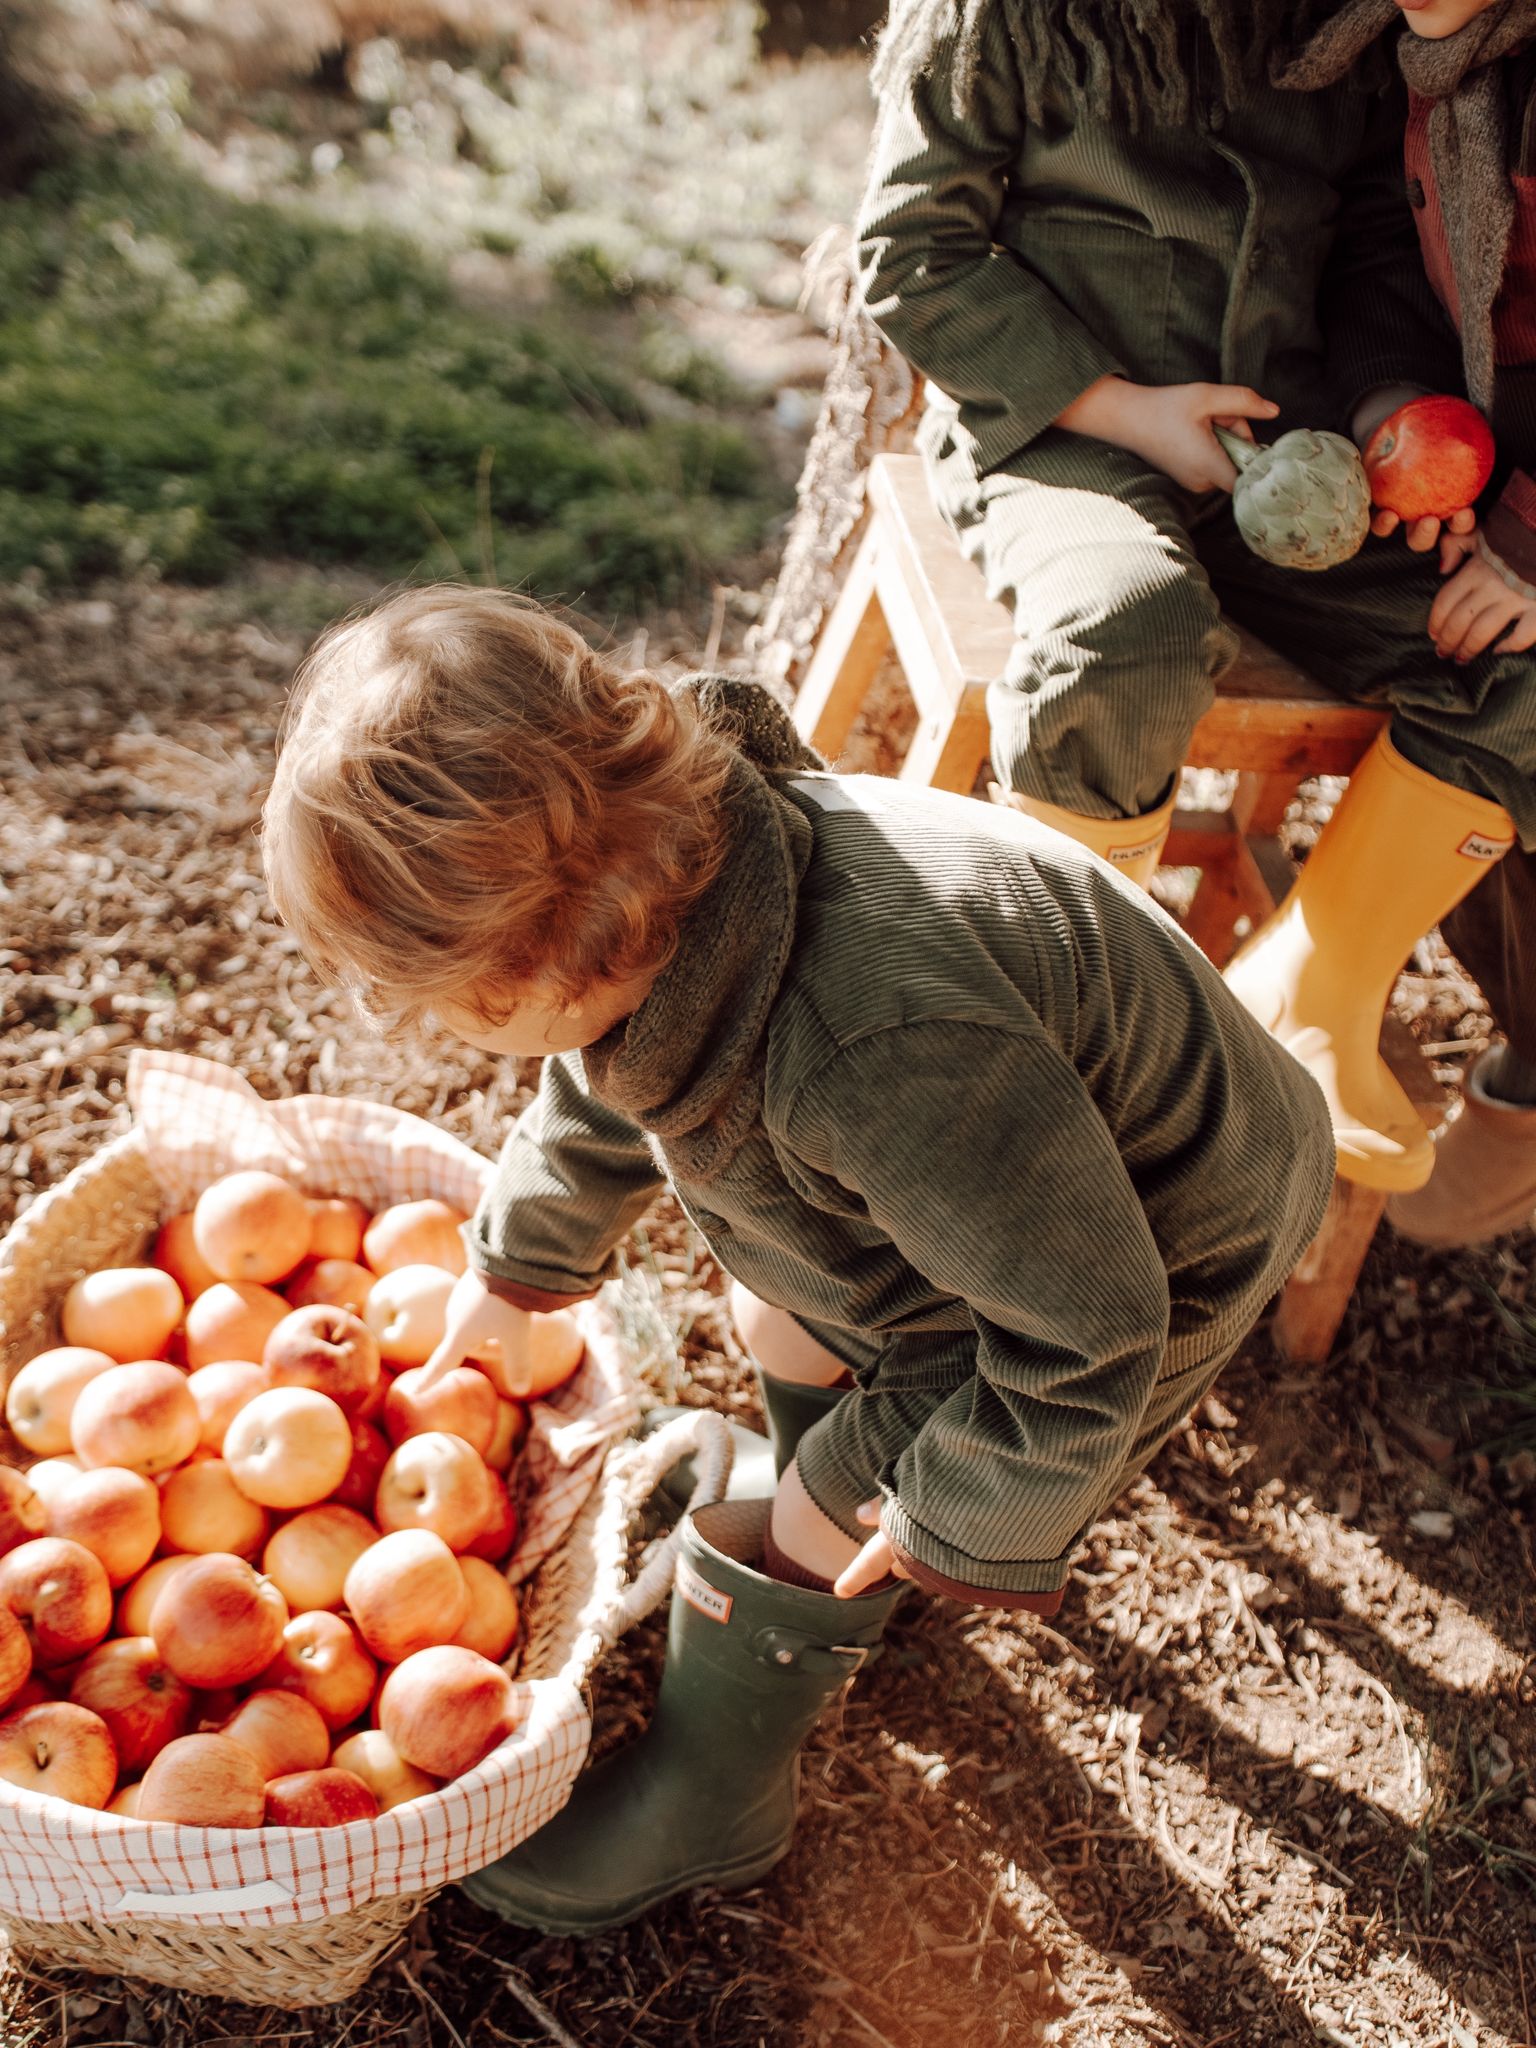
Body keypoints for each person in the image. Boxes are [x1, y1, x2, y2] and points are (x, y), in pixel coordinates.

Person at [260, 583, 1334, 1931]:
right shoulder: (669, 883)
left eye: (449, 1009)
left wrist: (954, 1506)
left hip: (1163, 1229)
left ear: (535, 965)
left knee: (832, 1502)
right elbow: (600, 1085)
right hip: (1007, 1182)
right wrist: (522, 1264)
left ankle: (720, 1789)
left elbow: (1086, 1324)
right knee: (781, 1325)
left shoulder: (876, 1051)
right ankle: (835, 1557)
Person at [857, 0, 1536, 1199]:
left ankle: (1313, 991)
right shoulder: (999, 17)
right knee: (1129, 623)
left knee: (1521, 649)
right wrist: (1126, 411)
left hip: (1282, 457)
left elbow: (1380, 238)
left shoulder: (1327, 27)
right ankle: (1064, 1037)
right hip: (1063, 431)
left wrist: (1383, 413)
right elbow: (913, 255)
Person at [1276, 0, 1536, 1247]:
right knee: (1472, 674)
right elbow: (1383, 245)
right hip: (1491, 469)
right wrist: (1406, 424)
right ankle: (1315, 990)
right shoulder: (1409, 50)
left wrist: (1532, 542)